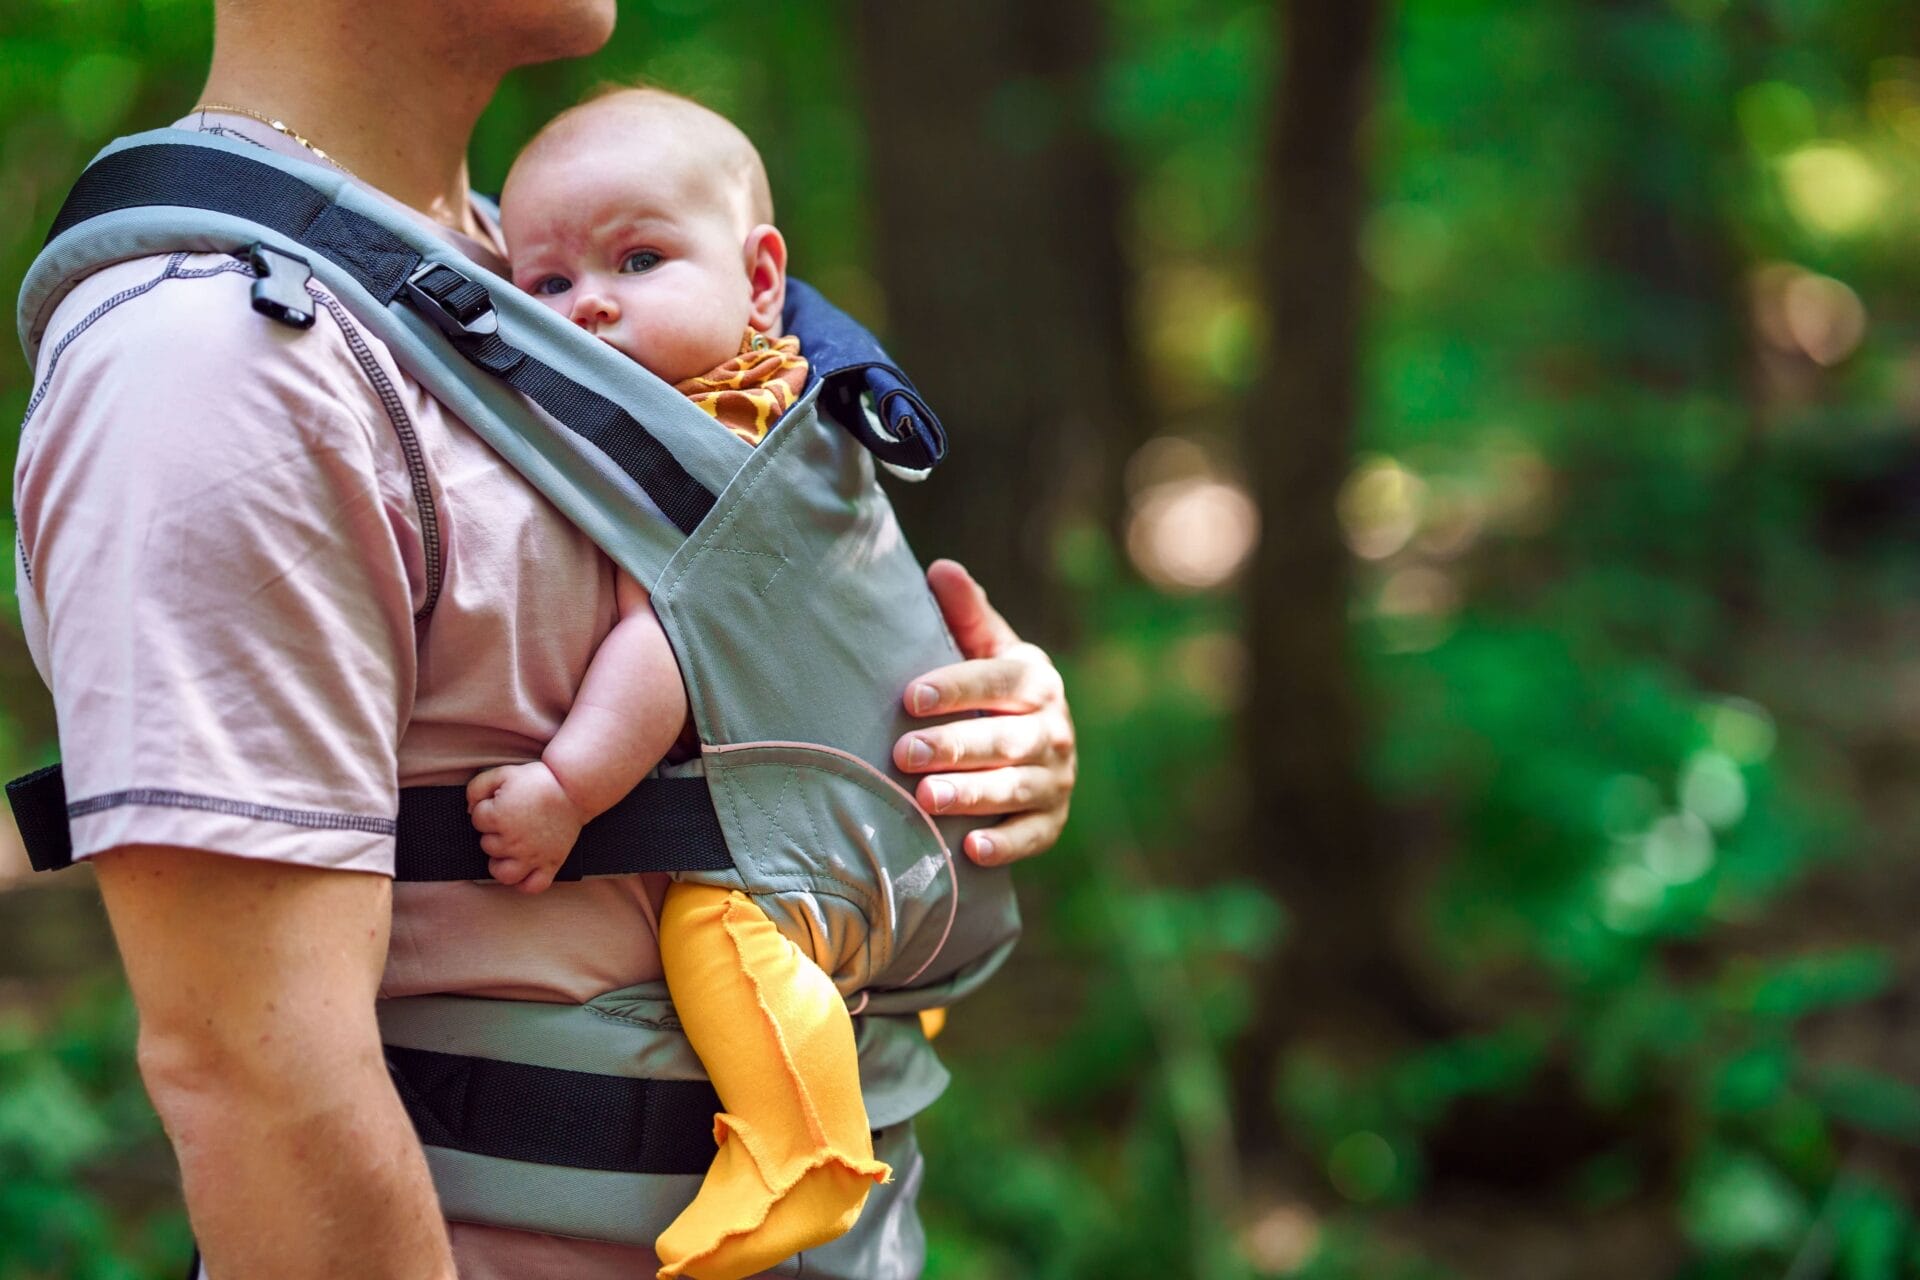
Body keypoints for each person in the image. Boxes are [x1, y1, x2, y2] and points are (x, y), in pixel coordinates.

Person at [10, 4, 1077, 1279]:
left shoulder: (522, 277)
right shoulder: (219, 356)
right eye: (564, 284)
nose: (587, 298)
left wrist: (960, 730)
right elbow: (255, 1074)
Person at [469, 87, 919, 1278]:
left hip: (809, 842)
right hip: (868, 822)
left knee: (714, 923)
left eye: (640, 257)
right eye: (550, 286)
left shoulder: (709, 433)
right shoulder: (800, 398)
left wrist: (570, 786)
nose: (592, 303)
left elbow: (670, 642)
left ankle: (802, 1148)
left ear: (761, 277)